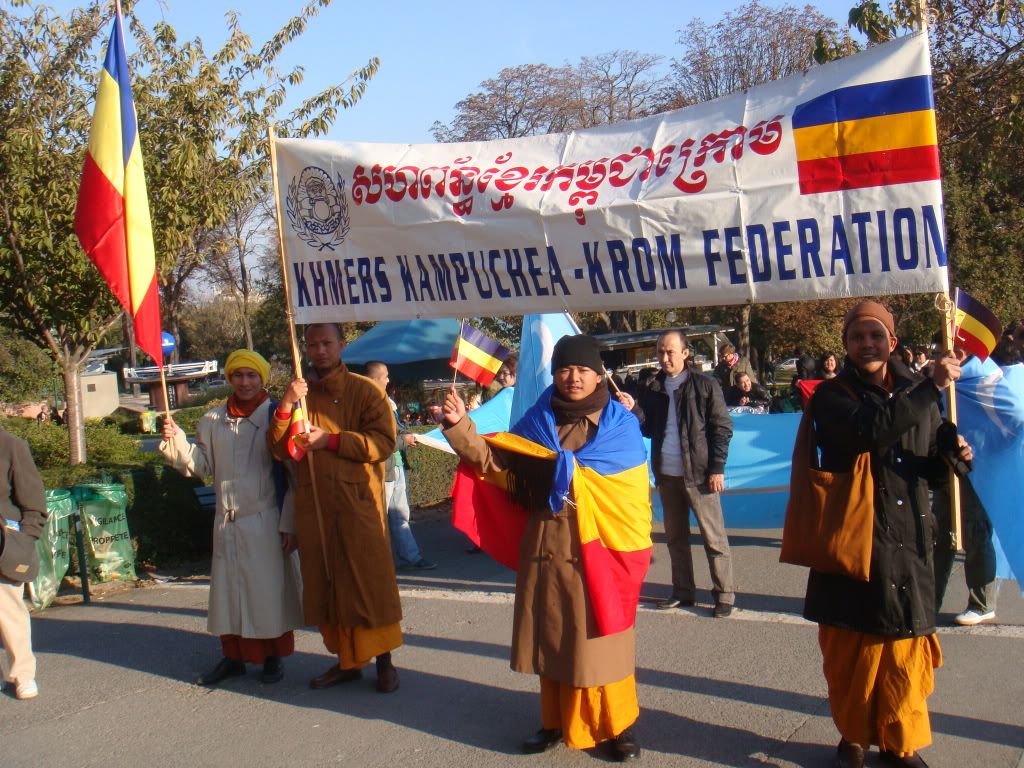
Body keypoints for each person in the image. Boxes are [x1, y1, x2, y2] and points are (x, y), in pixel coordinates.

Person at [441, 335, 651, 762]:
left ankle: (618, 725)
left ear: (598, 375)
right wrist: (461, 426)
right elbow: (497, 465)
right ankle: (554, 721)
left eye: (583, 370)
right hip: (547, 547)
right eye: (565, 369)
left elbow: (631, 497)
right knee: (555, 638)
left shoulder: (620, 427)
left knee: (602, 642)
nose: (573, 377)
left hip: (602, 548)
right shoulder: (537, 421)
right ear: (555, 373)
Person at [804, 300, 973, 768]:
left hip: (910, 538)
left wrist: (952, 450)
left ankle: (902, 741)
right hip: (855, 538)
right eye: (857, 337)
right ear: (846, 345)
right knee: (852, 650)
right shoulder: (832, 396)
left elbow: (930, 462)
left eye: (875, 335)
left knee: (904, 652)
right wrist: (932, 387)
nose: (866, 344)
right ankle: (854, 737)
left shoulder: (920, 390)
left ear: (892, 342)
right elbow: (872, 431)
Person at [270, 323, 402, 694]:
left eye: (327, 343)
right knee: (327, 585)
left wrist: (332, 440)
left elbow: (383, 443)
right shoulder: (299, 393)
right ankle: (347, 661)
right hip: (314, 507)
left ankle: (385, 661)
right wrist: (285, 404)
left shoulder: (365, 391)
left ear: (341, 345)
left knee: (368, 586)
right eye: (313, 344)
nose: (320, 351)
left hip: (357, 504)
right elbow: (279, 451)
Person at [160, 349, 303, 686]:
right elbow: (203, 466)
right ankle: (233, 657)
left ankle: (271, 658)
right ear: (229, 378)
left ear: (262, 378)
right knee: (228, 596)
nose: (245, 382)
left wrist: (290, 524)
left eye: (252, 375)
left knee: (268, 595)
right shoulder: (212, 420)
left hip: (265, 520)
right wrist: (175, 439)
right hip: (227, 522)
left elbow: (295, 475)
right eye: (238, 375)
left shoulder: (278, 416)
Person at [622, 330, 736, 618]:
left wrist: (717, 468)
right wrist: (634, 408)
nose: (664, 357)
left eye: (670, 351)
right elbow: (649, 429)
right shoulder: (654, 388)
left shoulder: (706, 385)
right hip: (667, 473)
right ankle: (683, 591)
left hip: (699, 475)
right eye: (660, 351)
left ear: (685, 353)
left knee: (714, 539)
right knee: (675, 538)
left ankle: (724, 594)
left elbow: (721, 428)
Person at [365, 361, 436, 571]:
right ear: (375, 379)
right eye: (385, 376)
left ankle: (410, 556)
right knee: (379, 519)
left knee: (400, 514)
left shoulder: (388, 402)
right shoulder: (367, 404)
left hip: (394, 466)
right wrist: (404, 441)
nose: (388, 379)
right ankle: (378, 563)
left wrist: (411, 436)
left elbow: (397, 431)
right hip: (381, 469)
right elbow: (376, 442)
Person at [0, 424, 47, 700]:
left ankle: (22, 675)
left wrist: (23, 539)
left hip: (4, 545)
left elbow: (34, 502)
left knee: (9, 612)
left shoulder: (10, 445)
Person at [932, 476, 997, 625]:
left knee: (975, 531)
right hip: (945, 463)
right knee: (938, 532)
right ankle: (929, 601)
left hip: (974, 466)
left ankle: (983, 604)